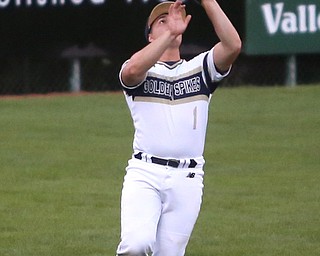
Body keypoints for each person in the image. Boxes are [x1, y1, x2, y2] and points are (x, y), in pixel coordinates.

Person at [116, 0, 241, 255]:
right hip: (145, 172)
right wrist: (170, 33)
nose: (170, 22)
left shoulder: (199, 69)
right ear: (150, 36)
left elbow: (233, 45)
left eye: (174, 19)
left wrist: (208, 2)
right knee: (135, 245)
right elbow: (132, 71)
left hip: (188, 178)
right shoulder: (140, 70)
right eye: (161, 21)